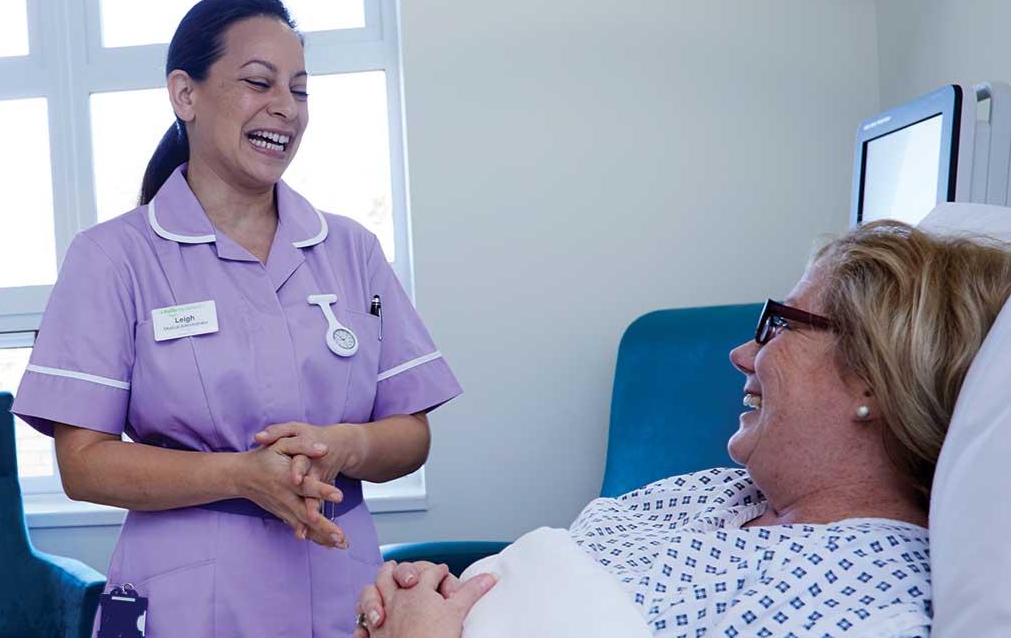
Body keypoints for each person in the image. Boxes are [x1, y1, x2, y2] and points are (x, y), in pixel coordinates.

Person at [10, 0, 463, 637]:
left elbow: (412, 433)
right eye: (259, 82)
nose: (286, 107)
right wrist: (239, 475)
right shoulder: (114, 258)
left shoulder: (350, 249)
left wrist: (346, 444)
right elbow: (83, 464)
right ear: (184, 94)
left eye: (300, 90)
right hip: (188, 600)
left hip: (343, 588)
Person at [351, 220, 1011, 638]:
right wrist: (428, 595)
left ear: (871, 375)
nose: (742, 354)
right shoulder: (720, 493)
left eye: (779, 326)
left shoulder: (866, 606)